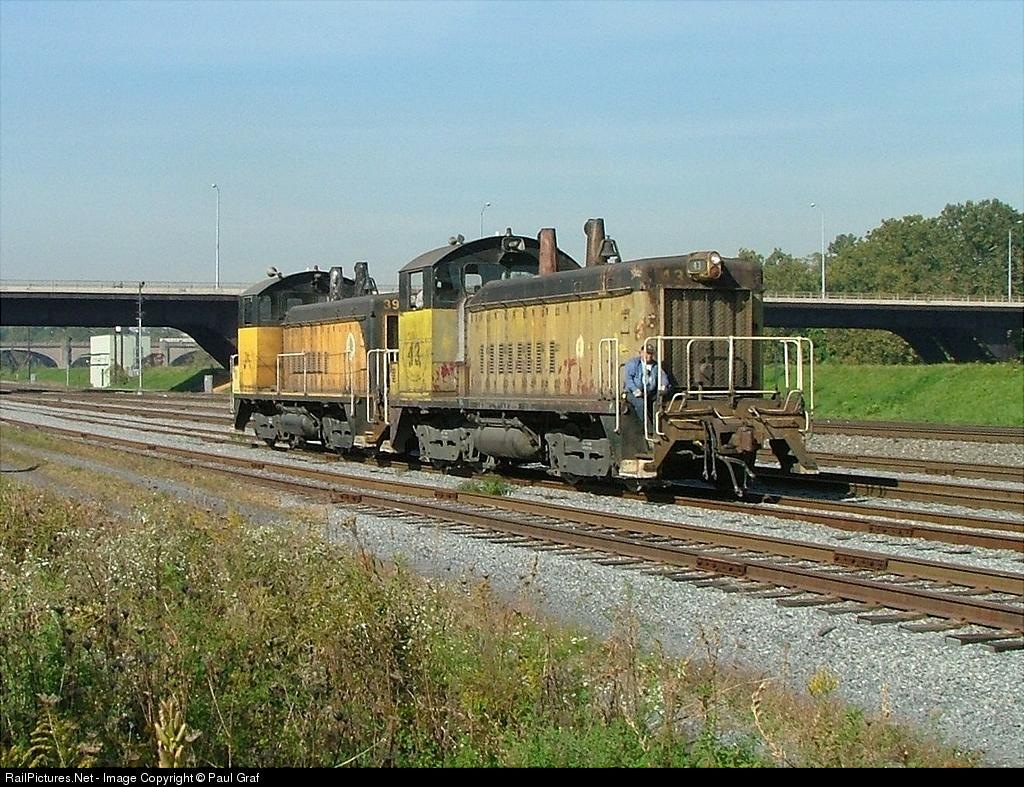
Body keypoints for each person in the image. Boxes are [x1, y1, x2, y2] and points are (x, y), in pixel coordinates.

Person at [623, 343, 669, 430]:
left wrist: (664, 385)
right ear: (641, 353)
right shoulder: (633, 364)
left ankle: (660, 426)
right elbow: (628, 379)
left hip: (649, 392)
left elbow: (663, 376)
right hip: (633, 392)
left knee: (660, 401)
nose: (649, 356)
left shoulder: (655, 366)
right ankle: (648, 430)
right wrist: (635, 390)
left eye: (651, 353)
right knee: (641, 404)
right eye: (647, 353)